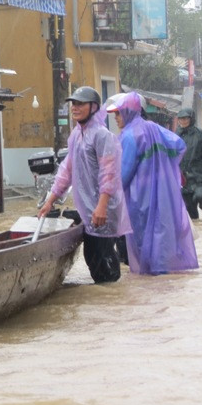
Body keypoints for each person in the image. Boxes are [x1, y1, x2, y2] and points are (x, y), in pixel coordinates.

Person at [37, 86, 131, 283]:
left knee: (101, 257)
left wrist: (102, 206)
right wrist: (50, 201)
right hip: (88, 209)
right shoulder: (76, 136)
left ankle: (113, 298)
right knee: (93, 256)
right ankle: (109, 297)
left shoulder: (102, 136)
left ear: (94, 107)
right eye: (73, 104)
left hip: (102, 208)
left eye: (80, 104)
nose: (75, 108)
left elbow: (109, 173)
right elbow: (66, 171)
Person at [107, 92, 198, 275]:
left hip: (139, 199)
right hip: (164, 196)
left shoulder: (129, 136)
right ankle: (164, 281)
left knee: (143, 242)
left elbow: (123, 175)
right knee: (162, 238)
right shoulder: (154, 128)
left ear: (128, 112)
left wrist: (107, 198)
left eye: (118, 113)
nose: (116, 118)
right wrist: (165, 168)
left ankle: (151, 284)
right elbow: (179, 145)